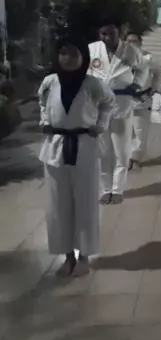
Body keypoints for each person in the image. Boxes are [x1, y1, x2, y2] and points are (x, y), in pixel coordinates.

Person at [38, 37, 115, 276]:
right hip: (55, 147)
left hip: (85, 146)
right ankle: (67, 256)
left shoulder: (94, 84)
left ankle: (84, 256)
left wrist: (100, 125)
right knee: (57, 205)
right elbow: (43, 103)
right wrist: (44, 120)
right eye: (63, 53)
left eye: (73, 54)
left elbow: (109, 103)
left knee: (85, 203)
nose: (68, 58)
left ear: (84, 57)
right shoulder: (50, 82)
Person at [88, 20, 148, 205]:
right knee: (103, 150)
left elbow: (143, 69)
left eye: (111, 34)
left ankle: (118, 189)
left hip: (121, 102)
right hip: (98, 104)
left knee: (121, 150)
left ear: (119, 33)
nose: (106, 38)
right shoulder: (92, 49)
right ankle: (106, 189)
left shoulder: (130, 50)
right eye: (103, 34)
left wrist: (136, 85)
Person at [125, 32, 161, 169]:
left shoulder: (148, 58)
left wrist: (154, 87)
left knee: (140, 130)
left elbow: (158, 73)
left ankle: (136, 158)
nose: (131, 44)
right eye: (129, 41)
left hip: (142, 98)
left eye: (134, 41)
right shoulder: (119, 59)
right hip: (124, 99)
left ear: (140, 43)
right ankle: (126, 157)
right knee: (125, 131)